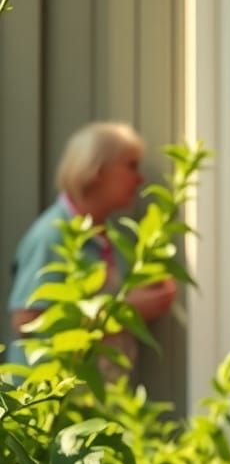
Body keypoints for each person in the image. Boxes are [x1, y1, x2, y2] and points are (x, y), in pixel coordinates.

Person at [5, 121, 176, 372]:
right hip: (53, 402)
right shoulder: (52, 234)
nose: (141, 178)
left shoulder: (109, 236)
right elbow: (26, 322)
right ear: (97, 169)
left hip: (94, 399)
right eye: (131, 166)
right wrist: (124, 313)